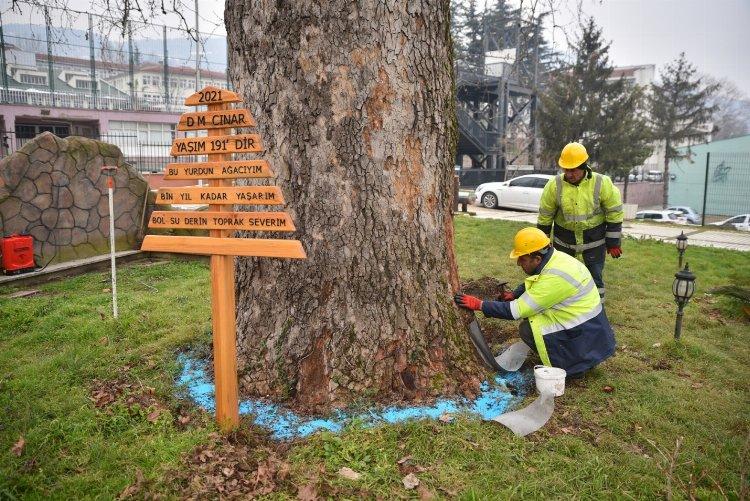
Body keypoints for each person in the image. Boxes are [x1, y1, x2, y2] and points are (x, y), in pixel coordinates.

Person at [454, 227, 616, 378]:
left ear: (537, 259)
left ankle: (573, 367)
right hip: (591, 328)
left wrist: (479, 305)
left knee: (528, 329)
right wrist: (515, 293)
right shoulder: (557, 259)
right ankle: (579, 357)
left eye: (522, 259)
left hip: (582, 333)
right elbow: (538, 280)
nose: (519, 263)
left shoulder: (554, 279)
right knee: (531, 324)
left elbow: (516, 311)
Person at [537, 142, 624, 300]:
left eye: (573, 170)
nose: (569, 174)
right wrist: (540, 245)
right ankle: (564, 311)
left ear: (584, 166)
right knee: (561, 278)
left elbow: (614, 212)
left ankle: (597, 315)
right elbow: (545, 216)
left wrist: (613, 242)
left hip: (594, 241)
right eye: (566, 169)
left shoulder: (602, 183)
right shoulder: (554, 185)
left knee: (595, 279)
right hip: (564, 241)